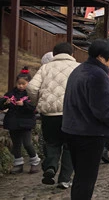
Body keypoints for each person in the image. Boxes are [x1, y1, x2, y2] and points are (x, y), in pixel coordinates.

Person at [62, 39, 109, 200]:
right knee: (86, 179)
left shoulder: (80, 69)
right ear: (101, 57)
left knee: (80, 177)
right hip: (90, 133)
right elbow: (104, 109)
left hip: (73, 130)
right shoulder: (97, 75)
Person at [27, 42, 79, 188]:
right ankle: (64, 179)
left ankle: (50, 166)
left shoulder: (46, 67)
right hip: (72, 113)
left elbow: (31, 87)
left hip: (49, 114)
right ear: (72, 54)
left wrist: (37, 102)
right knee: (70, 146)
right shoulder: (78, 68)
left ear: (54, 54)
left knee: (52, 142)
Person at [2, 75, 41, 174]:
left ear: (28, 83)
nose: (20, 86)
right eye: (19, 83)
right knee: (16, 144)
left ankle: (34, 161)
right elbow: (1, 105)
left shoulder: (30, 94)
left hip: (26, 122)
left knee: (27, 143)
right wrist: (6, 102)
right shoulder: (11, 93)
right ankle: (18, 164)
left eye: (23, 84)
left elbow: (34, 108)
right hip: (13, 122)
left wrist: (24, 104)